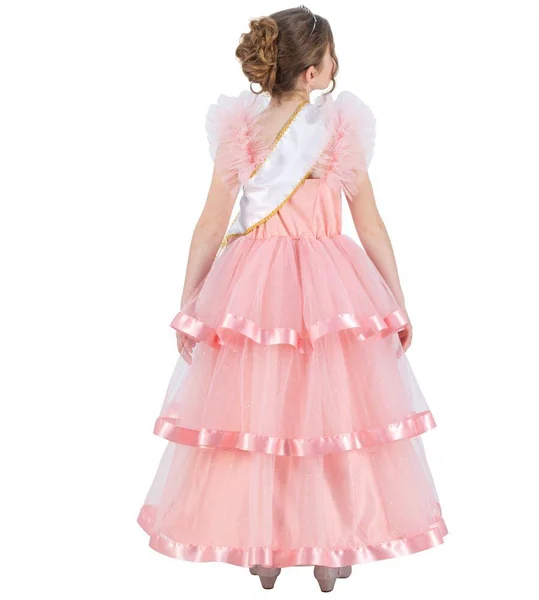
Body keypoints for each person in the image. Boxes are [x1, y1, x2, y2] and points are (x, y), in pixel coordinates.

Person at [137, 5, 448, 593]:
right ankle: (330, 547)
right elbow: (370, 224)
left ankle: (266, 546)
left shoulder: (241, 134)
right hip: (335, 290)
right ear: (312, 73)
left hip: (252, 292)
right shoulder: (338, 130)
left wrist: (191, 301)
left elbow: (209, 226)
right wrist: (396, 300)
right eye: (331, 57)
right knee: (335, 415)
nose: (335, 66)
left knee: (260, 415)